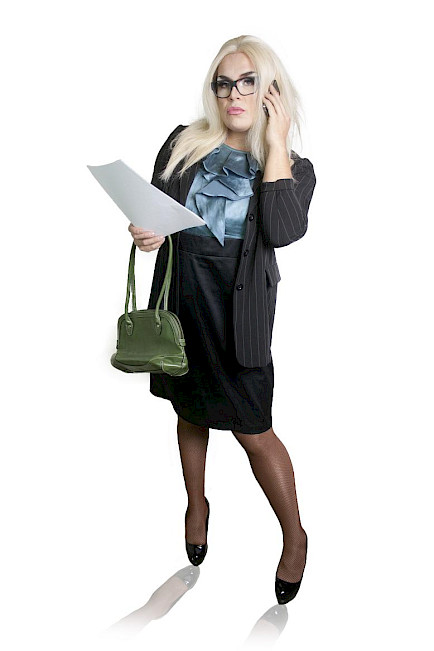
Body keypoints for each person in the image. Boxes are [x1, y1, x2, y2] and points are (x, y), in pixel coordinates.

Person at [128, 35, 316, 604]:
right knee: (189, 411)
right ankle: (197, 505)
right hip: (184, 305)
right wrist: (146, 234)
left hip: (241, 316)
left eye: (248, 83)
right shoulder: (182, 145)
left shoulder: (295, 169)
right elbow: (155, 217)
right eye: (224, 83)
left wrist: (276, 143)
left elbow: (283, 231)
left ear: (270, 92)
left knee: (253, 430)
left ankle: (294, 537)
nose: (234, 94)